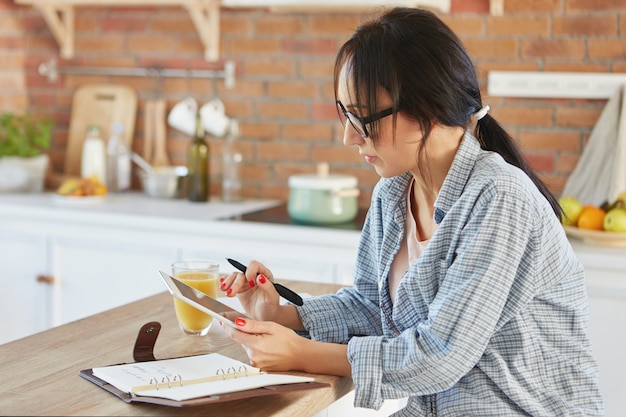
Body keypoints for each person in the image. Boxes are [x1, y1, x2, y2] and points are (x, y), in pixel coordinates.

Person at [220, 7, 604, 416]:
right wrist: (284, 315)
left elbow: (440, 354)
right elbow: (372, 308)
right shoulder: (393, 193)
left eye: (362, 116)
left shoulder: (499, 197)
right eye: (345, 112)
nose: (349, 136)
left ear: (425, 110)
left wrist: (301, 354)